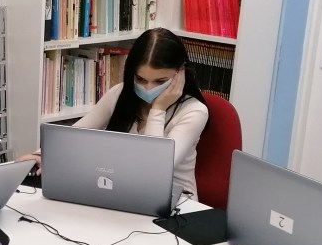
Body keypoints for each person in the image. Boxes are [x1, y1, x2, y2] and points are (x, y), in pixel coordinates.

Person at [24, 28, 209, 200]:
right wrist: (41, 155)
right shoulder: (120, 93)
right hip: (124, 190)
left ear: (180, 73)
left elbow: (155, 169)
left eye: (160, 81)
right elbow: (75, 134)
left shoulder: (194, 111)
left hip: (176, 201)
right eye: (141, 79)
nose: (148, 88)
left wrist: (158, 109)